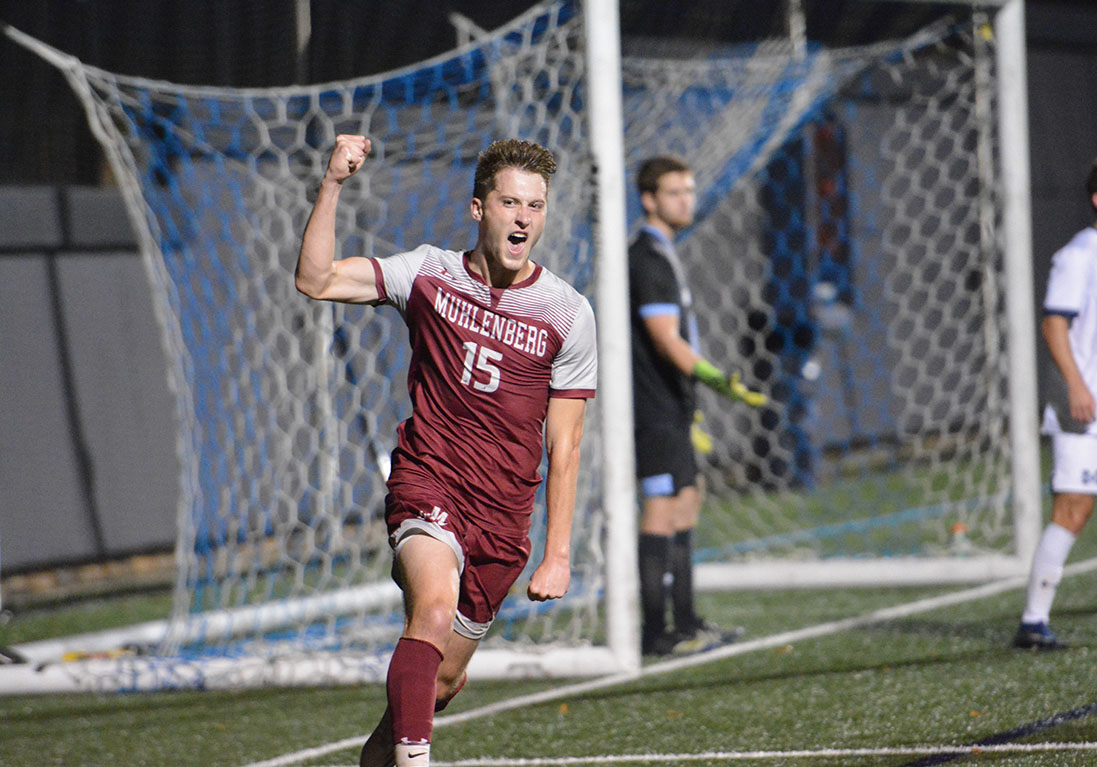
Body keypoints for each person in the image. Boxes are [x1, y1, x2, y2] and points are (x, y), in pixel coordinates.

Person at [296, 136, 597, 766]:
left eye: (536, 206)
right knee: (430, 614)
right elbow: (315, 278)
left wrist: (558, 553)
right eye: (510, 202)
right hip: (428, 483)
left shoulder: (567, 313)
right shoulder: (428, 273)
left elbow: (564, 441)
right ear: (477, 209)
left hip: (503, 519)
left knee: (439, 684)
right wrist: (332, 184)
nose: (523, 218)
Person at [628, 156, 767, 656]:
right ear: (649, 199)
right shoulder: (645, 257)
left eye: (690, 190)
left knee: (689, 497)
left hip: (676, 406)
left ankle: (685, 620)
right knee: (661, 507)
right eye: (675, 192)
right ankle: (654, 632)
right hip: (655, 408)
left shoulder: (664, 252)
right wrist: (716, 379)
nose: (687, 200)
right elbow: (666, 340)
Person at [1014, 149, 1097, 650]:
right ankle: (1032, 622)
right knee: (1074, 511)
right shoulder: (1078, 255)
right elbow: (1055, 324)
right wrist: (1075, 384)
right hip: (1089, 409)